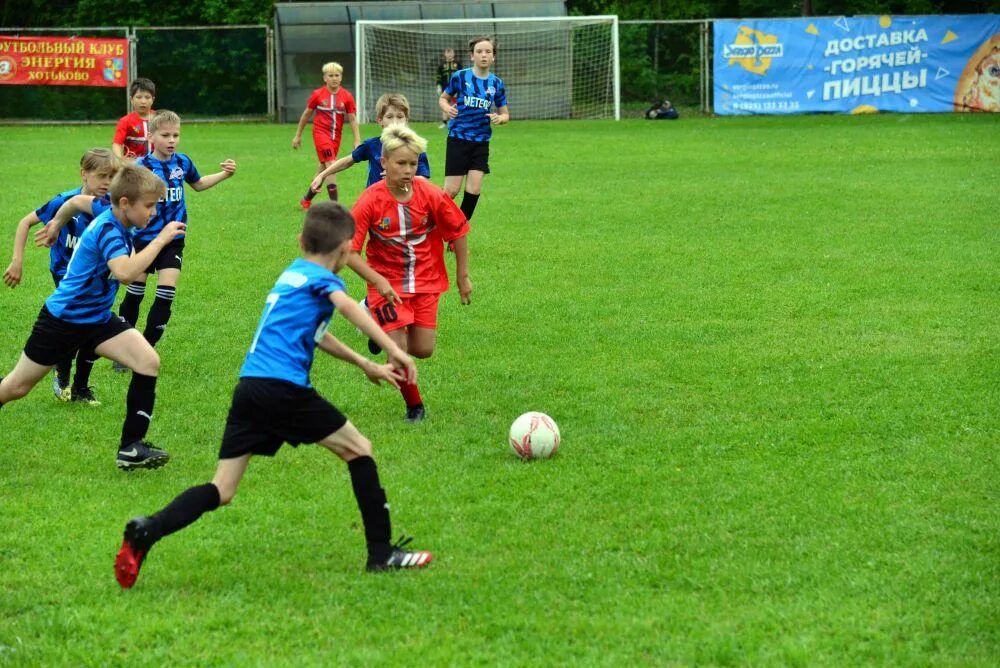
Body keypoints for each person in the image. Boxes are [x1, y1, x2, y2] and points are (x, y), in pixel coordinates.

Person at [114, 201, 433, 589]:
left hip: (250, 388)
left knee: (222, 488)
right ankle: (382, 553)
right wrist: (395, 350)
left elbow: (318, 333)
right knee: (360, 450)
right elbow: (347, 306)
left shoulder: (292, 275)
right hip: (285, 389)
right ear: (347, 251)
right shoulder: (326, 280)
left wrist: (364, 364)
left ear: (301, 240)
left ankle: (148, 529)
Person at [1, 165, 186, 470]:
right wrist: (161, 240)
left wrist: (57, 224)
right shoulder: (109, 229)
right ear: (125, 203)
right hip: (62, 321)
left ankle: (131, 449)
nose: (154, 213)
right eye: (149, 206)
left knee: (147, 361)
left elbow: (74, 203)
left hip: (97, 319)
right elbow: (125, 273)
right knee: (15, 388)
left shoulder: (108, 205)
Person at [348, 126, 472, 423]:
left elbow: (459, 231)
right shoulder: (370, 200)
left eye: (413, 164)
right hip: (386, 284)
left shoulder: (430, 194)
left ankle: (379, 333)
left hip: (426, 280)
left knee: (423, 349)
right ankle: (415, 406)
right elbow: (349, 251)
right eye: (400, 163)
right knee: (400, 350)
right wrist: (376, 280)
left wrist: (462, 277)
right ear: (384, 162)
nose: (407, 170)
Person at [4, 148, 120, 404]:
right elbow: (25, 222)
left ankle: (80, 386)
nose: (107, 183)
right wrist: (17, 261)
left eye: (112, 176)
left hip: (103, 280)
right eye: (102, 176)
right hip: (67, 277)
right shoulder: (63, 201)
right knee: (74, 330)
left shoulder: (112, 206)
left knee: (93, 331)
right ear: (83, 174)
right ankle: (63, 375)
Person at [116, 110, 236, 356]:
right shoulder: (141, 167)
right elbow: (121, 201)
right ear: (151, 136)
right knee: (135, 295)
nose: (171, 140)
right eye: (165, 135)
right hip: (143, 241)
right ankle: (123, 349)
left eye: (176, 135)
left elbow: (199, 184)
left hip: (173, 241)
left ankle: (144, 350)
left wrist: (225, 174)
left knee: (165, 296)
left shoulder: (183, 162)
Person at [438, 36, 509, 225]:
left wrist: (499, 118)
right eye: (479, 51)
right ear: (472, 56)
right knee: (451, 191)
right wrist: (447, 108)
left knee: (474, 190)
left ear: (494, 57)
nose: (484, 55)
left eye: (488, 52)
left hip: (481, 142)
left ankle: (457, 232)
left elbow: (505, 114)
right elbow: (443, 98)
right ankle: (431, 224)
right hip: (458, 139)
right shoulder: (460, 77)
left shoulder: (497, 84)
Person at [309, 93, 431, 195]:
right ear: (380, 120)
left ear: (406, 120)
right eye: (389, 117)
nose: (395, 122)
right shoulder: (372, 145)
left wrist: (401, 178)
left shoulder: (415, 148)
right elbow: (347, 161)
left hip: (403, 200)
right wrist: (322, 175)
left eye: (400, 117)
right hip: (374, 201)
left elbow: (424, 179)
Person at [292, 62, 361, 209]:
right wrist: (298, 135)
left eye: (337, 75)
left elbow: (353, 119)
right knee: (331, 164)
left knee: (323, 169)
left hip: (336, 137)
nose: (334, 78)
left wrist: (357, 139)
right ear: (325, 78)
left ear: (341, 77)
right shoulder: (318, 95)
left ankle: (306, 199)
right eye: (331, 75)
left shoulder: (347, 96)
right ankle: (334, 206)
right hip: (320, 134)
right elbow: (306, 115)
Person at [113, 78, 156, 159]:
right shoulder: (125, 121)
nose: (143, 101)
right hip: (134, 166)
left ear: (153, 99)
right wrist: (121, 161)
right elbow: (117, 144)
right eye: (139, 97)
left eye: (147, 97)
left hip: (157, 165)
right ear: (131, 99)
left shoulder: (160, 118)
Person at [436, 47, 460, 129]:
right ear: (445, 54)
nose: (449, 54)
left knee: (456, 104)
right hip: (445, 89)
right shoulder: (441, 65)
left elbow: (461, 76)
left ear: (453, 54)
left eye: (451, 52)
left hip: (456, 88)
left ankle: (456, 121)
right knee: (445, 104)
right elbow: (438, 77)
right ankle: (444, 122)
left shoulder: (458, 64)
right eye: (447, 52)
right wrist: (438, 86)